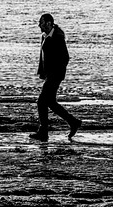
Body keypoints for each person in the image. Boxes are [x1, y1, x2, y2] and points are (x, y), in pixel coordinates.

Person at [30, 13, 82, 142]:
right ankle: (73, 122)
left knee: (42, 102)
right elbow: (43, 56)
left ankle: (44, 132)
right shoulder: (45, 36)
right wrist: (43, 72)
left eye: (41, 22)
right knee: (50, 102)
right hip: (50, 75)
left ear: (48, 23)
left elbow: (65, 58)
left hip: (56, 75)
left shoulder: (57, 37)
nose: (39, 25)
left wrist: (55, 73)